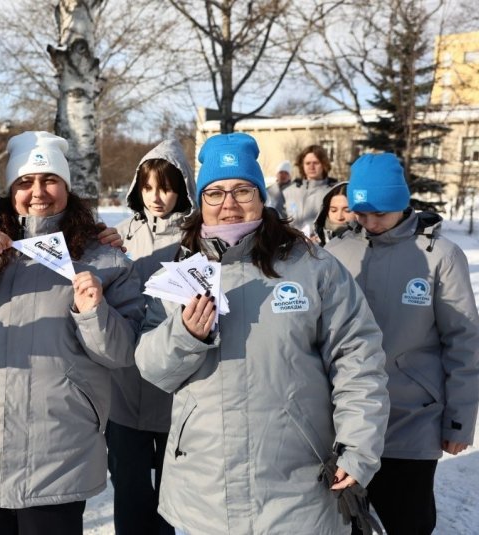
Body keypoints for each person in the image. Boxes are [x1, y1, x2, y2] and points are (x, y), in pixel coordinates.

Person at [134, 132, 390, 535]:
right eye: (215, 192)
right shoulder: (179, 275)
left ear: (261, 195)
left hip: (298, 488)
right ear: (200, 201)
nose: (229, 204)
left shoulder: (312, 266)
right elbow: (152, 368)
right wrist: (185, 335)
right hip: (205, 491)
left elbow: (358, 360)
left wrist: (358, 448)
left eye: (242, 190)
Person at [0, 131, 145, 535]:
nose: (38, 192)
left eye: (50, 179)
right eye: (25, 181)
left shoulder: (105, 258)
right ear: (10, 189)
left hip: (59, 459)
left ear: (67, 187)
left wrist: (93, 313)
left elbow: (121, 354)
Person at [326, 153, 479, 535]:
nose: (370, 222)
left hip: (413, 420)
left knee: (408, 520)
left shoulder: (441, 256)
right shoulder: (336, 252)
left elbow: (463, 341)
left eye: (380, 213)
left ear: (402, 202)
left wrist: (459, 421)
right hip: (346, 421)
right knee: (345, 522)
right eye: (362, 213)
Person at [109, 139, 196, 535]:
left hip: (175, 395)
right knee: (129, 493)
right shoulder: (118, 236)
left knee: (171, 499)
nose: (156, 197)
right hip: (124, 392)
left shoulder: (198, 239)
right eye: (147, 187)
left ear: (182, 189)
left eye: (166, 188)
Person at [282, 144, 337, 236]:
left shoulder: (334, 192)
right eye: (308, 163)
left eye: (316, 163)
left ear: (324, 164)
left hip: (322, 243)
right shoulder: (289, 192)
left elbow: (338, 223)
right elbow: (280, 222)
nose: (311, 167)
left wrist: (320, 237)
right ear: (302, 165)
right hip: (293, 242)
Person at [313, 181, 355, 247]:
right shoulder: (314, 246)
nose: (339, 217)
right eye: (333, 210)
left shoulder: (367, 246)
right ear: (326, 212)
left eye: (347, 210)